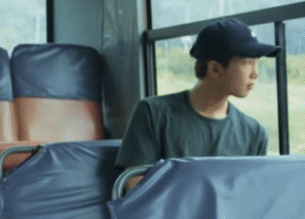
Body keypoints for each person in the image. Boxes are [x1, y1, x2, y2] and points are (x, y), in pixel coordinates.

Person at [115, 18, 280, 174]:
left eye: (256, 62)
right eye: (247, 62)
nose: (255, 73)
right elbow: (134, 183)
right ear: (214, 68)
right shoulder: (153, 113)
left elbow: (254, 186)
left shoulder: (254, 132)